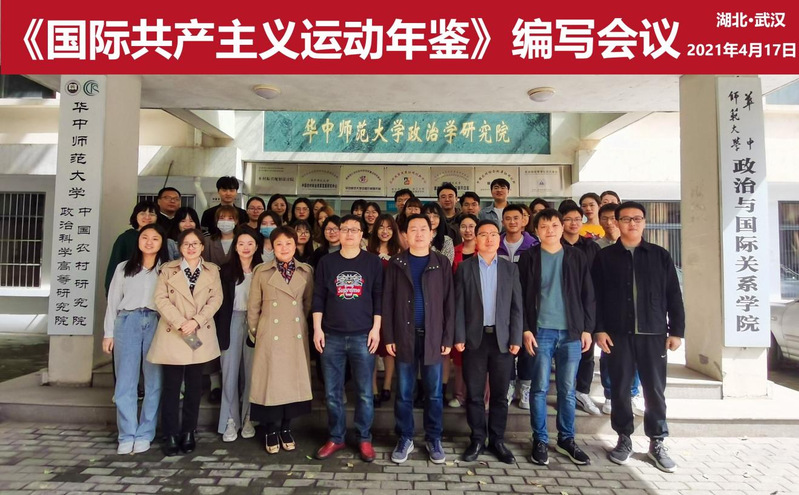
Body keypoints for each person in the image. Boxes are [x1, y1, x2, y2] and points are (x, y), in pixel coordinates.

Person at [592, 201, 685, 473]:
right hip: (617, 334)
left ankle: (657, 441)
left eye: (637, 218)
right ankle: (624, 438)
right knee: (620, 388)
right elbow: (595, 296)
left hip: (653, 334)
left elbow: (673, 294)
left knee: (654, 389)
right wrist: (598, 329)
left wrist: (676, 330)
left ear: (644, 222)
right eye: (626, 219)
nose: (632, 223)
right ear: (616, 223)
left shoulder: (659, 255)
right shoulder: (605, 257)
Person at [518, 208, 594, 466]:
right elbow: (521, 297)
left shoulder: (576, 256)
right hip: (541, 331)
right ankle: (539, 439)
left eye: (554, 225)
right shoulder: (529, 257)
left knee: (567, 390)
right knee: (539, 388)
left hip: (571, 332)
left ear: (562, 228)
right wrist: (525, 329)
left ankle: (566, 439)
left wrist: (587, 328)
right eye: (543, 226)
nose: (549, 230)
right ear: (536, 231)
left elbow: (588, 294)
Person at [382, 214, 454, 464]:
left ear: (432, 233)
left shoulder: (441, 262)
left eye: (424, 229)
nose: (419, 233)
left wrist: (448, 336)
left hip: (434, 336)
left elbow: (449, 302)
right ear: (405, 234)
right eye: (413, 229)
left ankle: (434, 438)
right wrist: (389, 336)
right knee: (404, 391)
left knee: (433, 392)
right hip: (404, 336)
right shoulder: (396, 263)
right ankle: (405, 437)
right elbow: (388, 302)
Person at [312, 215, 383, 463]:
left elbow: (378, 297)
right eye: (345, 229)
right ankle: (336, 437)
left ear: (362, 234)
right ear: (338, 233)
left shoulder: (373, 262)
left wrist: (376, 329)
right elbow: (318, 297)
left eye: (354, 229)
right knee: (332, 392)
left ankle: (364, 438)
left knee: (364, 392)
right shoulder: (326, 262)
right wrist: (317, 329)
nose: (350, 233)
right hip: (331, 335)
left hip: (363, 335)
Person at [147, 228, 223, 456]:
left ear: (202, 247)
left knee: (194, 387)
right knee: (171, 387)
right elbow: (160, 299)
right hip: (174, 332)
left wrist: (196, 321)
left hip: (199, 332)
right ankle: (170, 433)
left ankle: (189, 431)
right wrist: (181, 323)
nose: (191, 247)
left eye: (195, 243)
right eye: (186, 244)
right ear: (179, 248)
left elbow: (216, 299)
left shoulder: (212, 270)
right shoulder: (167, 270)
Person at [454, 219, 522, 464]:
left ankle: (497, 440)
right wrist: (459, 335)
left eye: (494, 234)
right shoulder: (465, 268)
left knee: (500, 395)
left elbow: (517, 307)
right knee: (474, 394)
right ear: (476, 238)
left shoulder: (510, 269)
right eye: (483, 234)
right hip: (475, 339)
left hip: (503, 341)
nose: (489, 238)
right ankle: (477, 439)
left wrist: (516, 337)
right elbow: (458, 305)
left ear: (499, 239)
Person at [248, 225, 315, 454]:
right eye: (279, 244)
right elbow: (253, 306)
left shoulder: (306, 271)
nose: (284, 248)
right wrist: (256, 332)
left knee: (292, 384)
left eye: (289, 243)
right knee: (270, 385)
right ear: (272, 246)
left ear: (295, 246)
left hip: (295, 334)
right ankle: (270, 430)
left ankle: (286, 428)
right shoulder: (261, 271)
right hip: (270, 335)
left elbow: (307, 304)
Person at [103, 224, 169, 455]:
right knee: (125, 381)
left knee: (154, 381)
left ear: (162, 243)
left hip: (156, 322)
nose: (149, 242)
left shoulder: (166, 269)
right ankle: (126, 434)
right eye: (145, 237)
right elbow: (112, 301)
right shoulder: (124, 267)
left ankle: (145, 433)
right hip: (127, 321)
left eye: (155, 238)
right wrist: (108, 333)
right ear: (138, 241)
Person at [593, 202, 643, 416]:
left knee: (636, 357)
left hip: (637, 316)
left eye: (613, 217)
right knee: (609, 356)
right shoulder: (598, 249)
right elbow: (596, 289)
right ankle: (610, 394)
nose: (610, 222)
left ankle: (633, 393)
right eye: (605, 218)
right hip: (611, 316)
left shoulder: (642, 250)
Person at [214, 228, 263, 443]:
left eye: (250, 243)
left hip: (256, 323)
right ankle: (229, 420)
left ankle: (249, 417)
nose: (245, 247)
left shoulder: (263, 270)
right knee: (229, 373)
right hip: (231, 321)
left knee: (252, 374)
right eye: (241, 243)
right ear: (235, 247)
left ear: (257, 246)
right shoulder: (225, 271)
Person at [559, 201, 602, 416]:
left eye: (578, 219)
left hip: (586, 304)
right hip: (560, 307)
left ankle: (582, 391)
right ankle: (565, 392)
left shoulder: (591, 247)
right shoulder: (554, 245)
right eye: (568, 219)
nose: (574, 223)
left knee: (587, 351)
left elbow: (598, 279)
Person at [367, 214, 403, 407]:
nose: (385, 231)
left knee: (389, 346)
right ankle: (373, 388)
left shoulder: (400, 252)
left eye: (389, 227)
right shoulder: (367, 251)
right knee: (372, 348)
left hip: (393, 305)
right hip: (371, 305)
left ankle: (387, 386)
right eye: (381, 227)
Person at [448, 213, 478, 409]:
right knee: (459, 355)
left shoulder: (483, 250)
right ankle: (459, 395)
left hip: (479, 309)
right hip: (458, 307)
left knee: (478, 356)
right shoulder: (454, 251)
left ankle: (479, 397)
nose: (467, 230)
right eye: (464, 226)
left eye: (471, 226)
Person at [105, 200, 159, 294]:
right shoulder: (125, 238)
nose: (147, 217)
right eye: (142, 213)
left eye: (151, 214)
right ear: (135, 216)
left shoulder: (161, 238)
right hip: (129, 288)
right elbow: (114, 265)